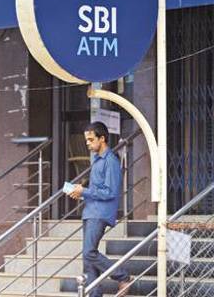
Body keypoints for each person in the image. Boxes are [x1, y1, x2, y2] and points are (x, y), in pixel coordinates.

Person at [69, 122, 131, 297]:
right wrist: (80, 192)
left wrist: (84, 191)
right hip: (90, 211)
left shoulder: (110, 161)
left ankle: (123, 276)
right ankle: (94, 294)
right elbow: (97, 189)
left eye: (91, 140)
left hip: (99, 213)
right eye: (86, 140)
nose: (87, 143)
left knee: (89, 253)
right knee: (88, 259)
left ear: (102, 139)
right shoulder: (96, 160)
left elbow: (110, 192)